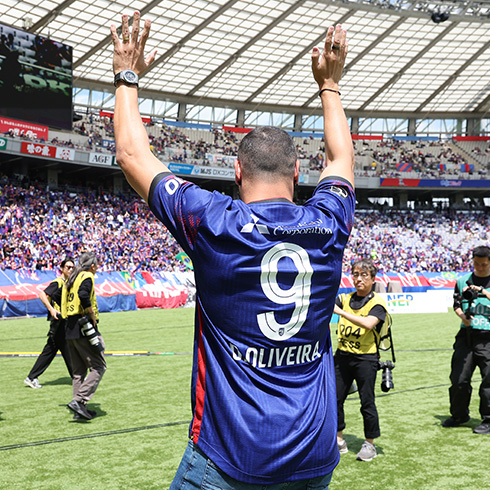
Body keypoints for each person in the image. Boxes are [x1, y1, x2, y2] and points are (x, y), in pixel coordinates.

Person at [111, 12, 354, 488]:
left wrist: (127, 76)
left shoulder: (213, 221)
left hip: (228, 458)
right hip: (313, 454)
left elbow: (132, 155)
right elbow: (341, 157)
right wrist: (329, 85)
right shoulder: (329, 222)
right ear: (298, 173)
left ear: (237, 173)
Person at [333, 259, 390, 462]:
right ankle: (338, 440)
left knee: (367, 402)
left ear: (373, 279)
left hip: (366, 359)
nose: (359, 279)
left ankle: (369, 443)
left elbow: (368, 324)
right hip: (342, 356)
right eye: (355, 274)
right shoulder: (344, 298)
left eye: (364, 275)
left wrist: (340, 312)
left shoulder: (377, 303)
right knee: (335, 399)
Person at [443, 245, 490, 434]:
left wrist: (484, 292)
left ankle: (488, 419)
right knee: (459, 379)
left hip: (488, 338)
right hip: (466, 336)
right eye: (476, 264)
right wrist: (463, 317)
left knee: (489, 380)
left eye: (484, 264)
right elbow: (456, 304)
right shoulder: (463, 281)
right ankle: (459, 415)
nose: (479, 267)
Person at [61, 252, 106, 420]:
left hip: (70, 327)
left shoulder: (72, 277)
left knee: (79, 372)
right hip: (83, 326)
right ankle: (79, 401)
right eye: (97, 264)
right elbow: (83, 294)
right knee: (99, 366)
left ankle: (79, 409)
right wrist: (91, 313)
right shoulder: (87, 276)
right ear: (92, 266)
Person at [24, 258, 75, 389]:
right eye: (68, 267)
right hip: (58, 322)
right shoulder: (58, 282)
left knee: (59, 349)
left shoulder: (68, 283)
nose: (70, 269)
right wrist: (51, 309)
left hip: (63, 321)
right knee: (61, 349)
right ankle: (31, 377)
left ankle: (76, 377)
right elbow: (42, 294)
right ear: (62, 269)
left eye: (72, 267)